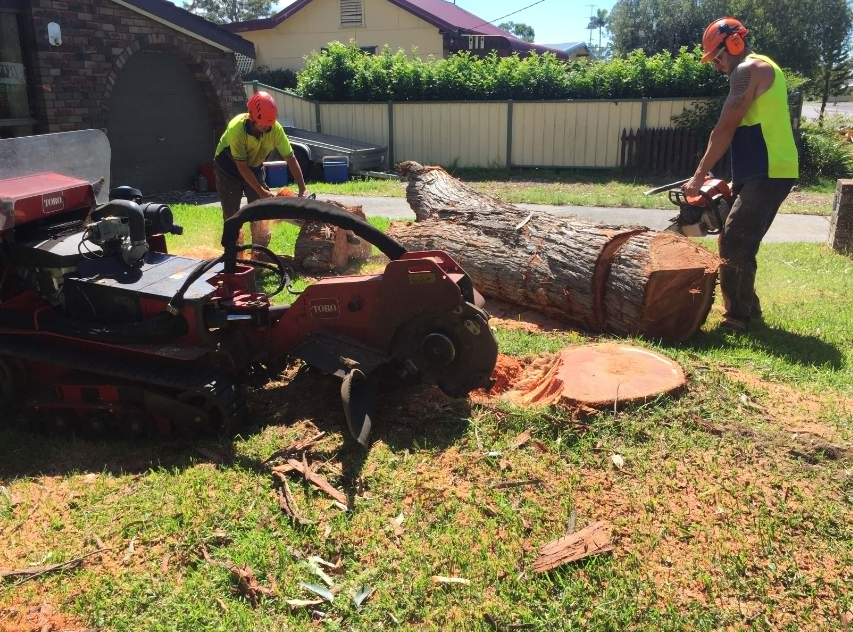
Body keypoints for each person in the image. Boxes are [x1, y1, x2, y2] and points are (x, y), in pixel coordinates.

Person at [682, 17, 799, 334]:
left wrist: (697, 177)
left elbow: (724, 130)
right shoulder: (760, 67)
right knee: (734, 238)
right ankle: (749, 307)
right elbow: (753, 128)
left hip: (771, 169)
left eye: (717, 58)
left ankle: (737, 318)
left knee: (735, 240)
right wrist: (737, 180)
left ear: (733, 44)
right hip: (761, 168)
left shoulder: (747, 71)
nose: (717, 66)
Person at [213, 91, 308, 253]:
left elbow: (290, 158)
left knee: (261, 212)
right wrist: (261, 190)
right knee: (232, 214)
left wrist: (302, 188)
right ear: (251, 117)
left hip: (254, 166)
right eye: (261, 123)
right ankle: (234, 253)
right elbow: (241, 166)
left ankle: (259, 253)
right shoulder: (237, 129)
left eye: (268, 124)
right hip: (228, 168)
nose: (265, 127)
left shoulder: (275, 129)